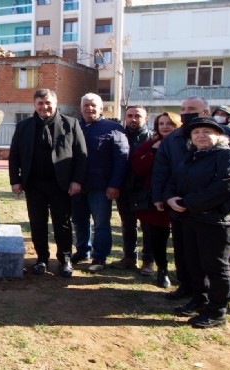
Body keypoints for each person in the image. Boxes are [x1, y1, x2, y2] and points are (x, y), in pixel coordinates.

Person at [166, 117, 230, 328]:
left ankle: (217, 310)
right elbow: (175, 179)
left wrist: (187, 202)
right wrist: (170, 198)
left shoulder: (228, 156)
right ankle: (200, 299)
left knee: (215, 266)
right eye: (196, 132)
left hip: (216, 220)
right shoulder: (191, 156)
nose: (200, 135)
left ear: (219, 135)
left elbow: (225, 186)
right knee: (194, 262)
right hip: (190, 218)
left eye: (206, 131)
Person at [9, 89, 87, 277]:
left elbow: (81, 155)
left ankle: (65, 259)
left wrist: (77, 181)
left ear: (55, 102)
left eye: (48, 103)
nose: (45, 107)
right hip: (34, 185)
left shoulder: (71, 124)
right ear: (34, 105)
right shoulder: (23, 127)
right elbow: (14, 156)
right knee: (37, 223)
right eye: (40, 103)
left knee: (63, 224)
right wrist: (15, 180)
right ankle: (42, 259)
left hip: (61, 186)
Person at [70, 93, 129, 272]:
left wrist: (115, 184)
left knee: (101, 223)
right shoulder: (74, 127)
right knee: (79, 221)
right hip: (78, 185)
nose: (89, 108)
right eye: (86, 105)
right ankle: (82, 250)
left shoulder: (114, 128)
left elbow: (122, 159)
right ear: (81, 108)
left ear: (101, 108)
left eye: (93, 105)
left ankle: (99, 256)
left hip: (101, 187)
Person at [131, 112, 182, 288]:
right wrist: (153, 152)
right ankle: (162, 269)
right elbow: (138, 167)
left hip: (179, 198)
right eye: (161, 123)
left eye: (170, 123)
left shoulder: (186, 144)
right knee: (156, 237)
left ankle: (184, 273)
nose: (165, 127)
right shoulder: (150, 145)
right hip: (154, 199)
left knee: (182, 239)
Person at [111, 105, 153, 272]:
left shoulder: (152, 139)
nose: (133, 119)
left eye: (137, 115)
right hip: (124, 189)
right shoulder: (119, 136)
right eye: (130, 116)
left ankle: (148, 261)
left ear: (146, 118)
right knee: (128, 225)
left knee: (147, 227)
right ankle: (129, 257)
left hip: (144, 190)